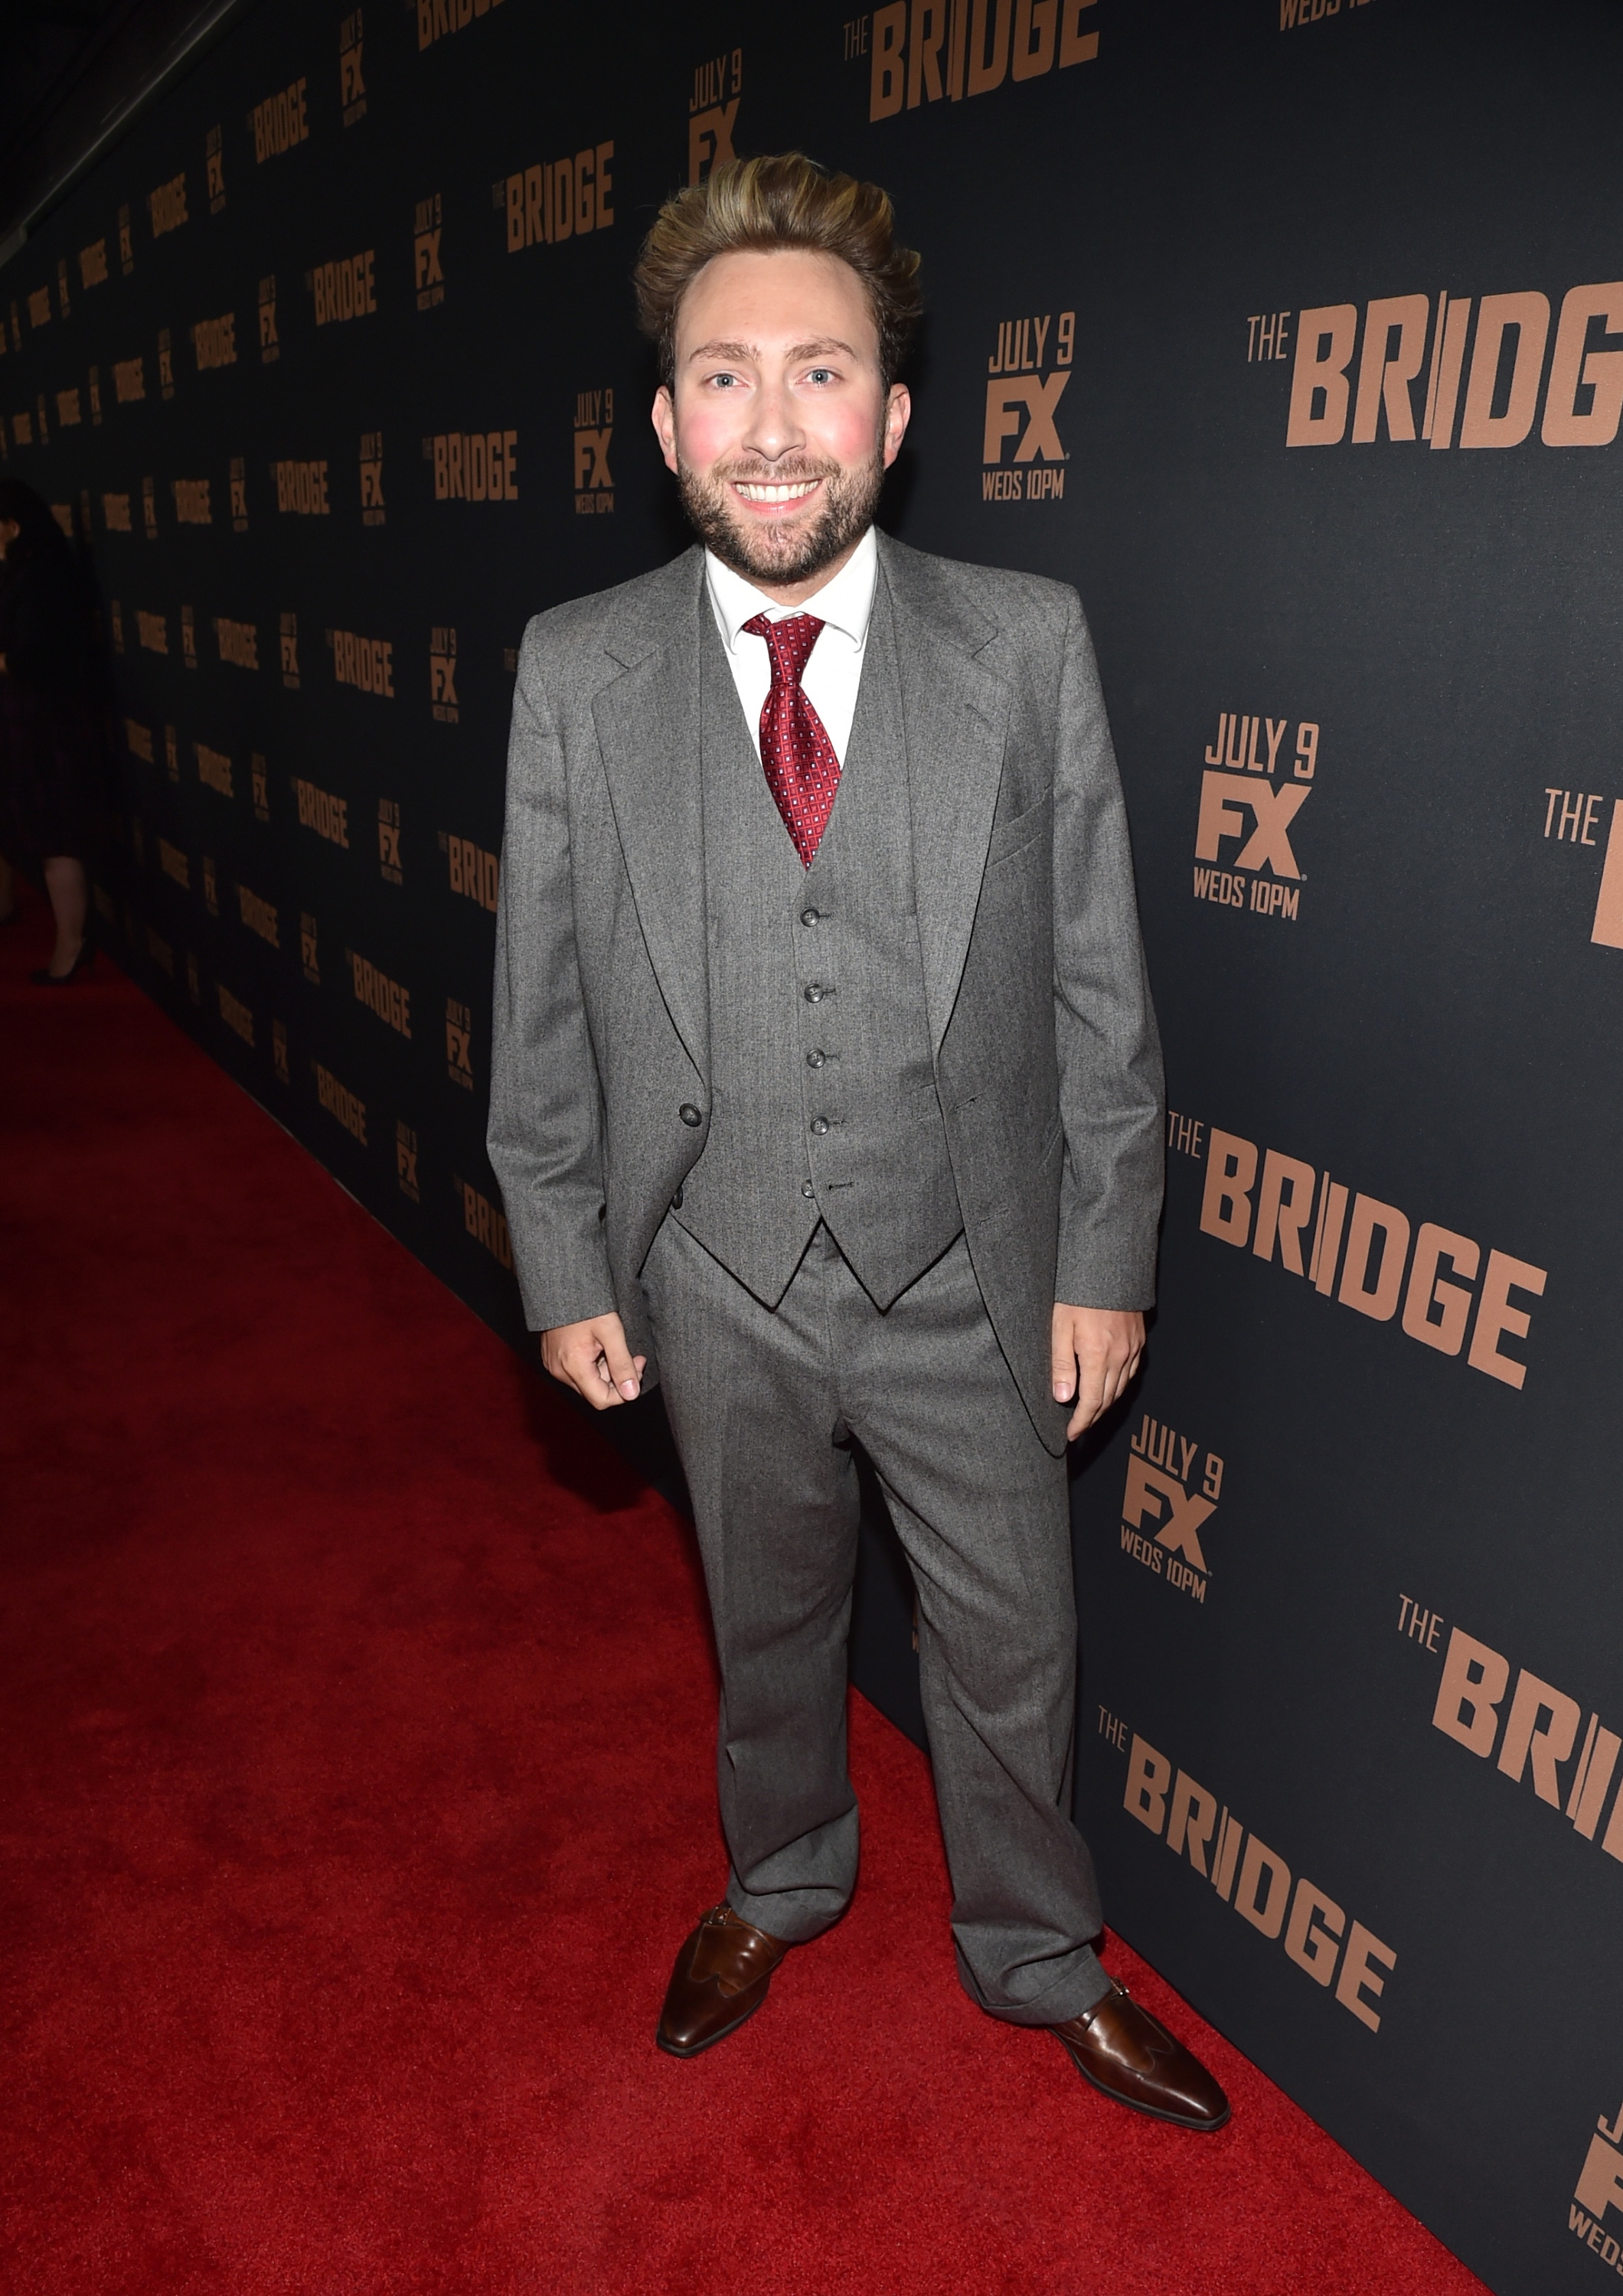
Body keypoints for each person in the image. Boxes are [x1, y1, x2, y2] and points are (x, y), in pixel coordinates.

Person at [488, 155, 1227, 2130]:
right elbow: (541, 997)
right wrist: (562, 1257)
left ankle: (1037, 1951)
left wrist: (1106, 1256)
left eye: (824, 374)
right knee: (766, 1619)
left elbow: (1099, 987)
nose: (775, 421)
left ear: (897, 417)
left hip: (967, 1260)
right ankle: (783, 1875)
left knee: (1015, 1642)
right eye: (724, 378)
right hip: (710, 1270)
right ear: (663, 426)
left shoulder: (1029, 647)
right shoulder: (575, 669)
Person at [0, 480, 100, 983]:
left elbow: (29, 657)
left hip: (46, 723)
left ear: (13, 527)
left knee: (55, 835)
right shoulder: (24, 571)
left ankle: (71, 946)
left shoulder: (41, 577)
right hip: (29, 719)